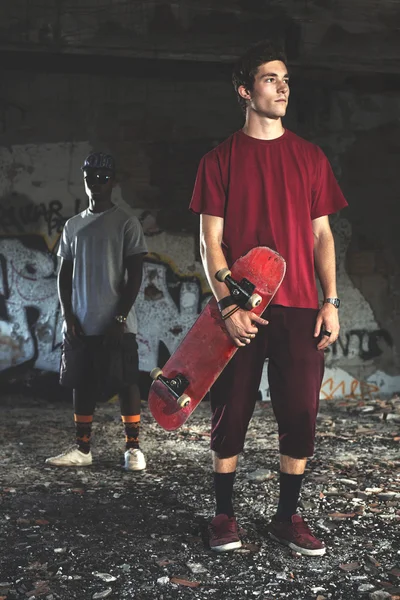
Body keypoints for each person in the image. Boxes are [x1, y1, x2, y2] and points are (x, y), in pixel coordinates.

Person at [189, 41, 347, 555]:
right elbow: (209, 241)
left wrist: (332, 301)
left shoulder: (310, 157)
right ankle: (224, 515)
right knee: (230, 411)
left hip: (302, 306)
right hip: (242, 308)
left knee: (300, 413)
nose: (283, 87)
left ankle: (286, 517)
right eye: (270, 79)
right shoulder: (218, 160)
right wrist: (229, 306)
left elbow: (322, 236)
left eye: (285, 79)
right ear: (244, 90)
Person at [46, 152, 148, 471]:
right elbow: (63, 276)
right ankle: (82, 449)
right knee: (82, 382)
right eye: (92, 177)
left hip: (118, 323)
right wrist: (69, 315)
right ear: (85, 180)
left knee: (126, 381)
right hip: (83, 320)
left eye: (104, 177)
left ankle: (133, 450)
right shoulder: (73, 226)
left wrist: (119, 318)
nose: (97, 183)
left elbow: (135, 275)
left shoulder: (126, 222)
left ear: (113, 182)